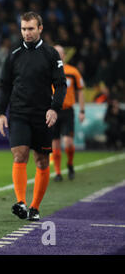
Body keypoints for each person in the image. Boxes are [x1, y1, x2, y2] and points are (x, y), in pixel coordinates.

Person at [0, 12, 67, 221]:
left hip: (43, 115)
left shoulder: (51, 54)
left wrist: (54, 108)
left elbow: (61, 84)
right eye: (23, 29)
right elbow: (5, 85)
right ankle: (21, 202)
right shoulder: (14, 54)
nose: (26, 33)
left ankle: (34, 207)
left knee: (42, 161)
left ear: (40, 29)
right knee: (20, 154)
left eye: (31, 29)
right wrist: (1, 112)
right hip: (19, 113)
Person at [51, 45, 85, 182]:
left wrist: (82, 110)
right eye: (55, 53)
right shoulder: (48, 71)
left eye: (60, 53)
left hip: (67, 111)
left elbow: (81, 90)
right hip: (53, 111)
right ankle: (58, 173)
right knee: (55, 143)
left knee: (68, 142)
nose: (58, 56)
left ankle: (70, 163)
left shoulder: (73, 72)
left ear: (64, 55)